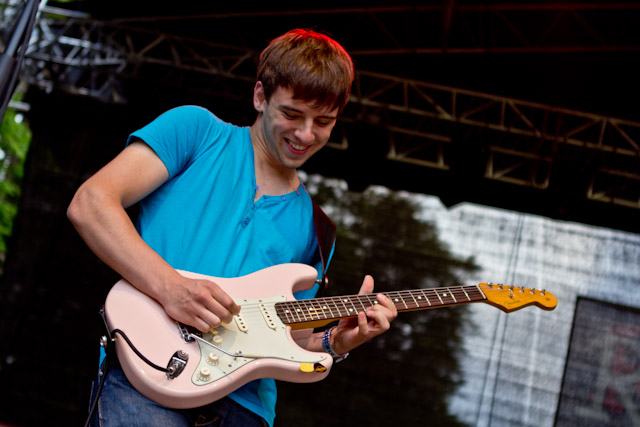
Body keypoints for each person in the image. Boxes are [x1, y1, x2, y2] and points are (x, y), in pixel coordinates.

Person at [67, 28, 398, 427]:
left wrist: (336, 341)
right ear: (260, 96)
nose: (306, 135)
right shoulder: (194, 130)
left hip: (245, 410)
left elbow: (281, 337)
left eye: (323, 122)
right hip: (150, 369)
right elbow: (91, 204)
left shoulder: (317, 230)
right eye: (292, 114)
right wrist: (169, 287)